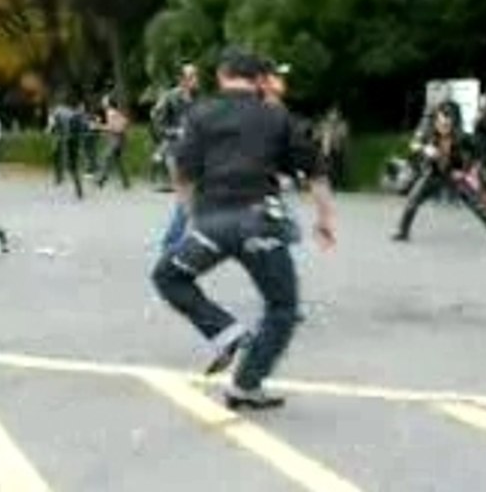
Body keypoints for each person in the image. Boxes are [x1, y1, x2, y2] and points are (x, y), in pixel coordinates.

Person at [152, 48, 335, 410]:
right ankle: (246, 384)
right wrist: (324, 219)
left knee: (168, 277)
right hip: (260, 224)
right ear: (259, 80)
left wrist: (192, 216)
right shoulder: (276, 117)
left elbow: (181, 170)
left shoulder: (199, 114)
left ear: (222, 75)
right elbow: (314, 171)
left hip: (213, 223)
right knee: (282, 306)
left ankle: (226, 332)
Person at [393, 103, 486, 244]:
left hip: (453, 173)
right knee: (413, 199)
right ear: (436, 121)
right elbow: (413, 144)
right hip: (433, 173)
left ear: (453, 123)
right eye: (440, 123)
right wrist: (424, 149)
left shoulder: (462, 136)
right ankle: (402, 231)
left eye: (447, 124)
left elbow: (478, 154)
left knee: (478, 205)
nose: (443, 127)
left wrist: (464, 171)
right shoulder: (428, 131)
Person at [151, 64, 199, 190]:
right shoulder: (169, 97)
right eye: (192, 76)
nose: (196, 79)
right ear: (182, 80)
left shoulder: (198, 97)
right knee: (182, 192)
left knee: (191, 192)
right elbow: (157, 123)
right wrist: (176, 132)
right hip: (174, 148)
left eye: (196, 75)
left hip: (193, 149)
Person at [96, 95, 130, 189]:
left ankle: (101, 179)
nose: (102, 102)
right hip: (119, 140)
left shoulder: (111, 113)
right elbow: (125, 122)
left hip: (115, 140)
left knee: (104, 157)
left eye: (104, 101)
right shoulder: (114, 112)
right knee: (118, 161)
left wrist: (98, 127)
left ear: (108, 103)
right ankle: (125, 182)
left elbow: (114, 127)